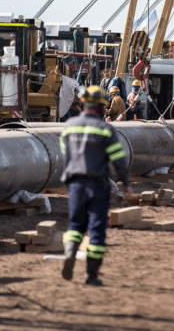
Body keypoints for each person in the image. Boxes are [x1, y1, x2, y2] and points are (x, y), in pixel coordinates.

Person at [60, 85, 133, 286]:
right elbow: (118, 159)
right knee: (97, 230)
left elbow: (65, 156)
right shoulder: (105, 129)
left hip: (75, 184)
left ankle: (69, 253)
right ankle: (91, 276)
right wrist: (126, 184)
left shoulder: (68, 127)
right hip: (98, 185)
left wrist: (69, 181)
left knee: (75, 225)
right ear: (101, 108)